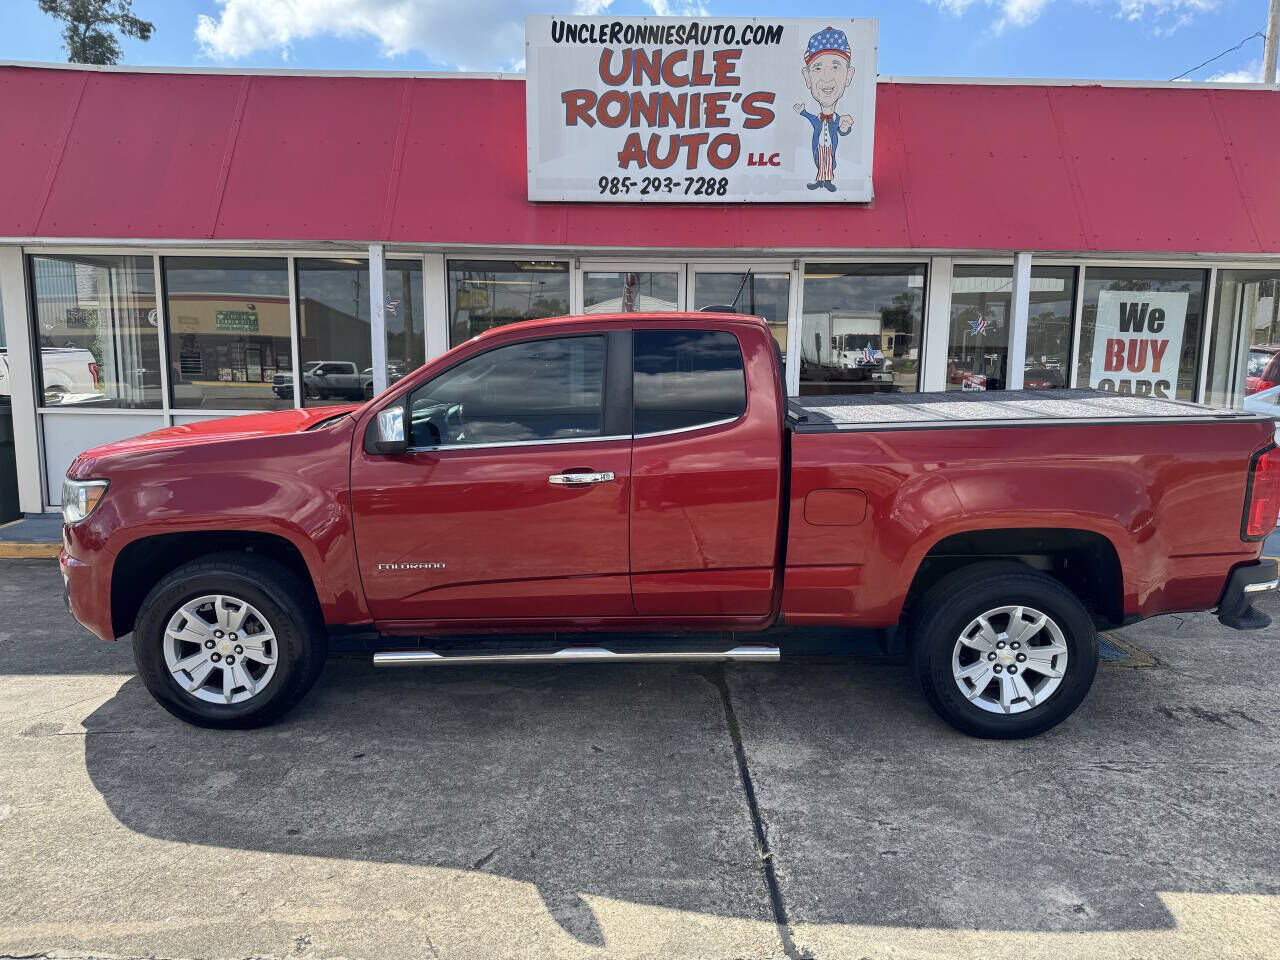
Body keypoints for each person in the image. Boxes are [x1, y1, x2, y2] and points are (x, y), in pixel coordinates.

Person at [793, 26, 856, 192]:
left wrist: (845, 127)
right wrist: (802, 111)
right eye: (818, 68)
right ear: (807, 78)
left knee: (829, 163)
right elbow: (810, 118)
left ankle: (827, 182)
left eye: (835, 67)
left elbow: (842, 130)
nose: (826, 77)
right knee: (821, 162)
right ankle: (820, 181)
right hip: (820, 148)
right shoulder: (818, 119)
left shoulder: (837, 119)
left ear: (849, 76)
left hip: (829, 148)